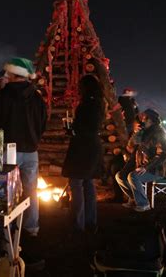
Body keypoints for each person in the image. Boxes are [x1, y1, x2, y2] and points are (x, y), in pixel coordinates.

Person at [0, 57, 47, 237]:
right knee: (31, 190)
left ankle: (4, 227)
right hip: (31, 150)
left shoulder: (1, 96)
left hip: (7, 150)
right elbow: (43, 123)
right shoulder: (37, 98)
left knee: (3, 190)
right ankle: (31, 227)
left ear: (12, 74)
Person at [62, 75, 105, 234]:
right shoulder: (100, 103)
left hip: (82, 147)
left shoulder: (87, 104)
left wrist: (71, 130)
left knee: (76, 183)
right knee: (88, 183)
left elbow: (82, 128)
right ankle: (90, 222)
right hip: (93, 146)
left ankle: (77, 225)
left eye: (80, 86)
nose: (79, 89)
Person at [115, 108, 166, 212]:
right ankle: (134, 199)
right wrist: (136, 133)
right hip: (140, 166)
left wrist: (146, 167)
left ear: (152, 120)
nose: (143, 121)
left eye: (145, 119)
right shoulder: (143, 132)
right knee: (120, 176)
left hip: (154, 170)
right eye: (143, 118)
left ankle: (144, 204)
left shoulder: (160, 134)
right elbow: (130, 148)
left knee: (133, 176)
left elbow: (162, 155)